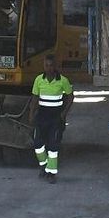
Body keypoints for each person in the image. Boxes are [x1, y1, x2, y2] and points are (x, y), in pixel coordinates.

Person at [31, 52, 74, 182]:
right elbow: (34, 98)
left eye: (51, 65)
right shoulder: (38, 80)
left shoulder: (63, 80)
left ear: (55, 66)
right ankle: (43, 165)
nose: (49, 68)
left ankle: (51, 173)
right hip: (41, 116)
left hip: (55, 118)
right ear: (43, 66)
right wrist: (31, 115)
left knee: (53, 146)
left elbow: (71, 96)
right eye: (46, 65)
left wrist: (64, 113)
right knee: (38, 144)